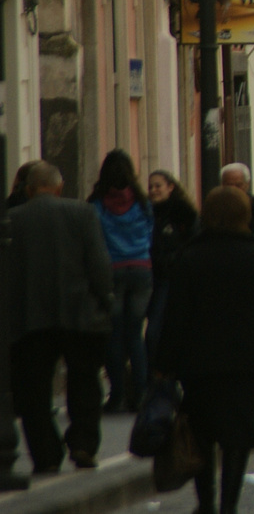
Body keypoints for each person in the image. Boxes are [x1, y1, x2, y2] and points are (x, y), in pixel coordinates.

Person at [155, 186, 254, 514]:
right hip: (244, 361)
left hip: (198, 362)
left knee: (201, 434)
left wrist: (164, 362)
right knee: (238, 433)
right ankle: (229, 504)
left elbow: (175, 316)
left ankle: (206, 503)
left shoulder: (189, 257)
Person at [7, 162, 113, 473]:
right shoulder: (81, 213)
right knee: (84, 381)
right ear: (59, 187)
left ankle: (46, 454)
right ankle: (83, 442)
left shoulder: (12, 219)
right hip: (79, 313)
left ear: (27, 190)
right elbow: (98, 261)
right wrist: (105, 301)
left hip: (30, 317)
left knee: (33, 391)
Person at [88, 149, 154, 414]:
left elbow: (92, 238)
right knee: (135, 334)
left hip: (111, 270)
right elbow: (152, 231)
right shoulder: (142, 202)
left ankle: (116, 396)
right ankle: (140, 394)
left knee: (114, 334)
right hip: (141, 269)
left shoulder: (97, 204)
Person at [146, 169, 198, 359]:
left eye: (158, 186)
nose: (153, 190)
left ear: (170, 187)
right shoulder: (145, 213)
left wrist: (172, 261)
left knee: (155, 333)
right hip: (149, 277)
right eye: (150, 186)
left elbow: (192, 245)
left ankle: (160, 380)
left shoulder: (183, 214)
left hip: (169, 279)